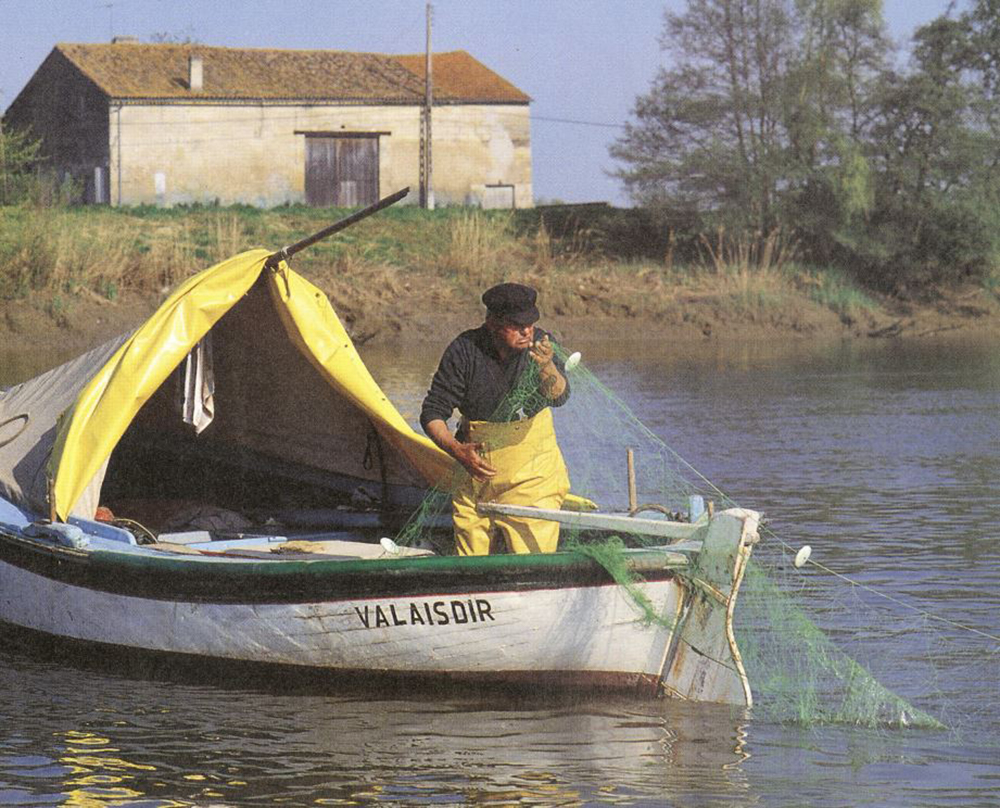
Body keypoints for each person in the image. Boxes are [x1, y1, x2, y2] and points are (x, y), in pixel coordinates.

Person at [420, 282, 571, 555]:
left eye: (530, 323)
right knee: (469, 557)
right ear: (492, 322)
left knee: (531, 559)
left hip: (533, 475)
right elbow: (433, 412)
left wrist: (546, 365)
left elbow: (558, 396)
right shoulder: (464, 349)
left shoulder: (542, 345)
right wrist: (457, 450)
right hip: (474, 471)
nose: (527, 331)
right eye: (516, 324)